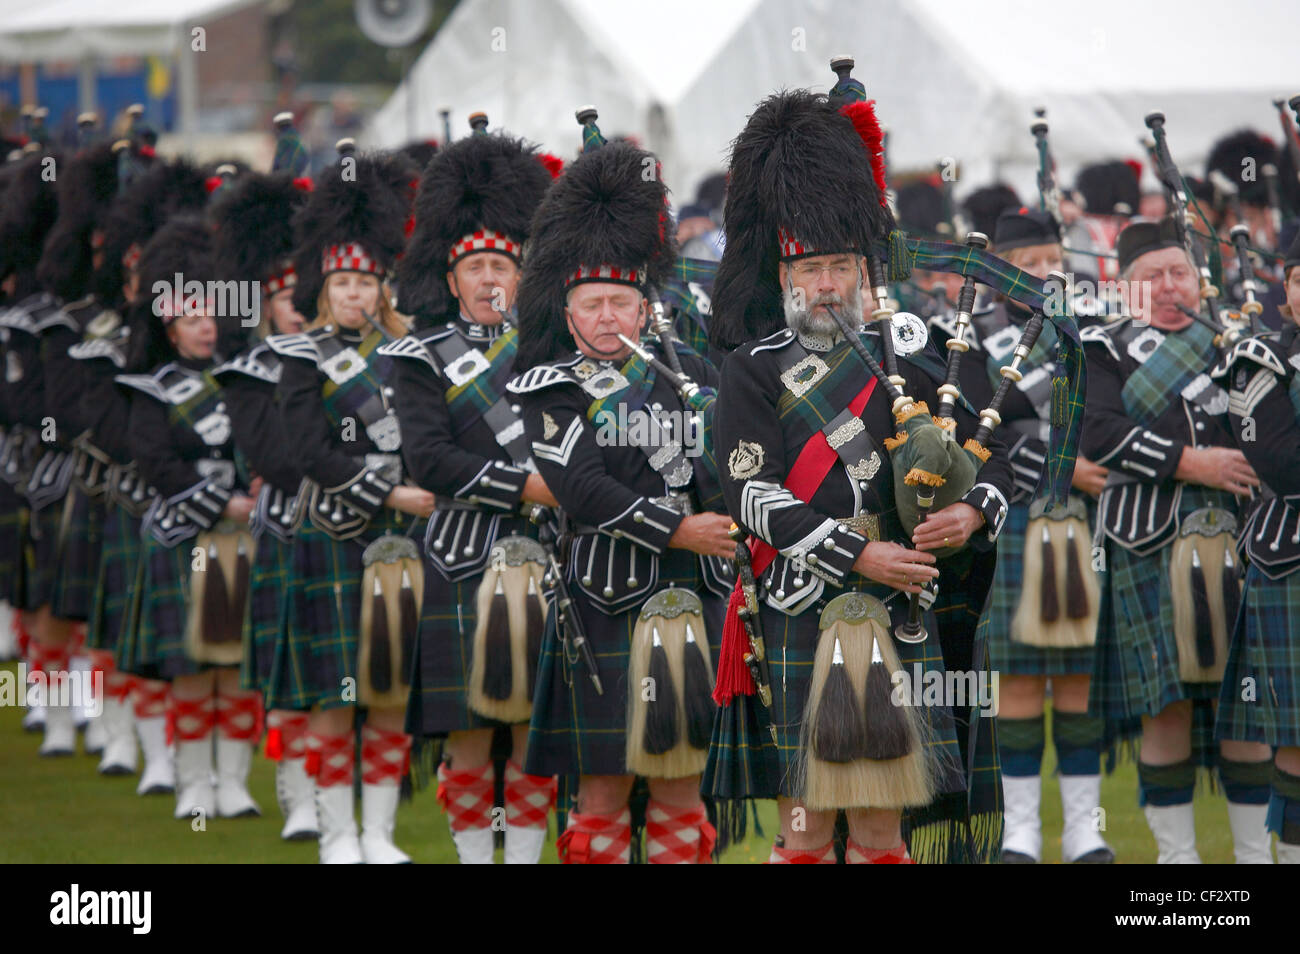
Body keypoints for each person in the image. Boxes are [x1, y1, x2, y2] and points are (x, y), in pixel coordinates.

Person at [705, 88, 1014, 864]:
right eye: (810, 267)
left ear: (864, 269)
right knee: (804, 828)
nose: (827, 284)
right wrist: (856, 554)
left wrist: (973, 510)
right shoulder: (753, 369)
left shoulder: (914, 357)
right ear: (784, 274)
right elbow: (749, 492)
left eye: (841, 264)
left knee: (882, 829)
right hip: (800, 597)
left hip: (900, 602)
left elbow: (1003, 445)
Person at [509, 137, 734, 864]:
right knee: (600, 790)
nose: (608, 317)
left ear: (646, 308)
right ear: (568, 313)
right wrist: (680, 529)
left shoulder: (692, 373)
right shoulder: (549, 388)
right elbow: (581, 490)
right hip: (600, 599)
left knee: (681, 784)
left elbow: (725, 473)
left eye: (621, 303)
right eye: (592, 304)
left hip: (690, 597)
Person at [383, 123, 557, 864]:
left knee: (530, 725)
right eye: (477, 265)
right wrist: (527, 485)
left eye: (503, 264)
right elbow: (427, 458)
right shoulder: (418, 356)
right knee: (468, 726)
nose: (491, 280)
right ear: (451, 279)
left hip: (549, 556)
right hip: (458, 556)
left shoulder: (555, 350)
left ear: (523, 273)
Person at [1082, 216, 1274, 863]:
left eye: (1179, 274)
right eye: (1152, 277)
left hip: (1241, 539)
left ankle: (1254, 858)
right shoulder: (1100, 349)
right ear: (1125, 286)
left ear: (1198, 278)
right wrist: (1191, 462)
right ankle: (1176, 862)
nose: (1169, 288)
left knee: (1245, 700)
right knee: (1162, 704)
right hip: (1147, 542)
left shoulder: (1235, 343)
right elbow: (1096, 433)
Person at [267, 148, 434, 864]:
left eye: (365, 281)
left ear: (382, 285)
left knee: (390, 696)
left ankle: (379, 835)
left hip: (403, 539)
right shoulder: (301, 355)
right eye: (342, 282)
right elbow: (307, 451)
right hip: (335, 535)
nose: (354, 294)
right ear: (323, 287)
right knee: (338, 699)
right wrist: (387, 489)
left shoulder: (412, 352)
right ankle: (337, 836)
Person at [931, 207, 1113, 863]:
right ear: (1001, 270)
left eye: (1049, 261)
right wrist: (1063, 464)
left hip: (1078, 521)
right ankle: (1022, 832)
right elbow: (981, 436)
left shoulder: (1087, 333)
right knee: (1012, 679)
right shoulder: (968, 341)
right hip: (1011, 515)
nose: (1041, 274)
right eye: (1026, 264)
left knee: (1076, 677)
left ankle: (1086, 827)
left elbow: (1105, 413)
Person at [115, 213, 264, 823]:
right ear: (171, 330)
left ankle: (234, 783)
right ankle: (194, 783)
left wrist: (256, 485)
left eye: (210, 319)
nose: (205, 329)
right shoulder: (153, 390)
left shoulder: (242, 383)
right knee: (191, 669)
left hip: (242, 540)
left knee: (236, 668)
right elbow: (156, 464)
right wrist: (220, 504)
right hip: (184, 539)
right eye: (191, 321)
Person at [210, 147, 318, 841]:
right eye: (285, 299)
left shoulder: (352, 360)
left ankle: (343, 806)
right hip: (287, 529)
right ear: (267, 302)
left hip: (355, 533)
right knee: (295, 679)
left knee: (350, 682)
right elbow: (273, 458)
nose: (298, 311)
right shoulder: (249, 368)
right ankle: (299, 798)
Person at [1210, 231, 1300, 863]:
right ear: (1286, 292)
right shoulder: (1258, 357)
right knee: (1297, 736)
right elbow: (1276, 459)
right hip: (1289, 556)